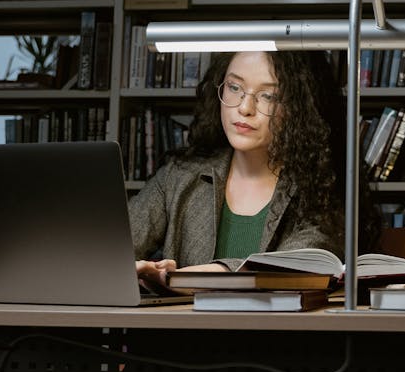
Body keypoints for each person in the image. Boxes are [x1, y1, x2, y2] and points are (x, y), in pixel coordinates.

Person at [131, 50, 378, 291]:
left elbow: (292, 267)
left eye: (268, 96)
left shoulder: (321, 187)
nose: (245, 108)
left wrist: (175, 278)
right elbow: (111, 247)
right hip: (177, 331)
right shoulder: (178, 175)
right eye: (235, 88)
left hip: (279, 332)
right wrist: (134, 267)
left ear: (300, 107)